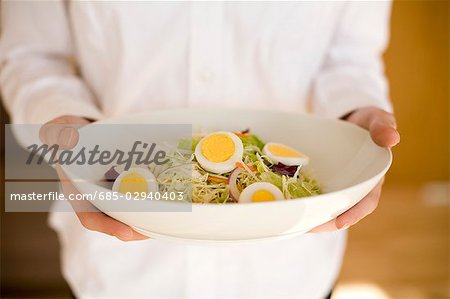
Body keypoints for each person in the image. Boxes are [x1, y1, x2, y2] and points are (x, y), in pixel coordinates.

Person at [1, 1, 400, 298]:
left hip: (287, 267)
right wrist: (64, 122)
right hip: (122, 270)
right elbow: (31, 56)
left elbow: (348, 57)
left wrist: (354, 120)